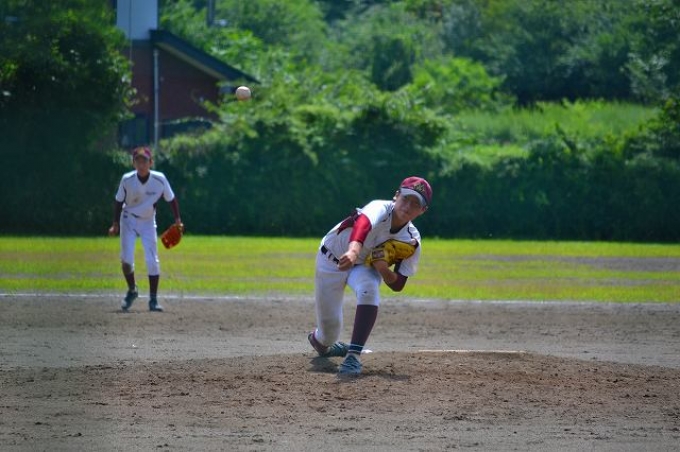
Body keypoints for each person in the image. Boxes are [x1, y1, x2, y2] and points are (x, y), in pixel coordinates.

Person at [308, 176, 432, 376]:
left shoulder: (412, 240)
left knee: (370, 288)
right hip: (332, 260)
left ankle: (353, 356)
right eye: (406, 198)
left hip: (362, 267)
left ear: (423, 210)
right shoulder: (379, 207)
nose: (408, 206)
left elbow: (398, 284)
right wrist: (353, 251)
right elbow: (363, 224)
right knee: (329, 333)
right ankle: (320, 341)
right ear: (396, 196)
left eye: (415, 203)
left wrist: (383, 269)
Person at [108, 146, 183, 312]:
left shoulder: (159, 179)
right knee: (126, 260)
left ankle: (153, 300)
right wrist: (115, 224)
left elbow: (171, 199)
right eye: (138, 161)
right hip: (128, 219)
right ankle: (132, 290)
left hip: (148, 221)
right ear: (133, 163)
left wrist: (178, 220)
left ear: (151, 162)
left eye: (145, 161)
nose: (141, 165)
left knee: (152, 260)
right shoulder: (127, 179)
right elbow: (119, 201)